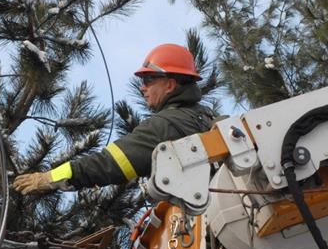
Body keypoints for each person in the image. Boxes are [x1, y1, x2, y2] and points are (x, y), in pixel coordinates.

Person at [12, 43, 213, 194]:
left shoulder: (166, 124)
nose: (143, 87)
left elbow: (110, 163)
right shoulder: (206, 118)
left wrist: (50, 177)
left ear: (170, 85)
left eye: (148, 80)